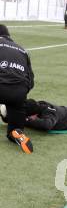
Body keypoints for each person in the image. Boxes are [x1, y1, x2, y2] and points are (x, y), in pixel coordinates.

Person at [0, 24, 34, 153]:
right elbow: (30, 80)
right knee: (14, 129)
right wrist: (20, 95)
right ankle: (17, 133)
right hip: (19, 92)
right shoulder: (22, 50)